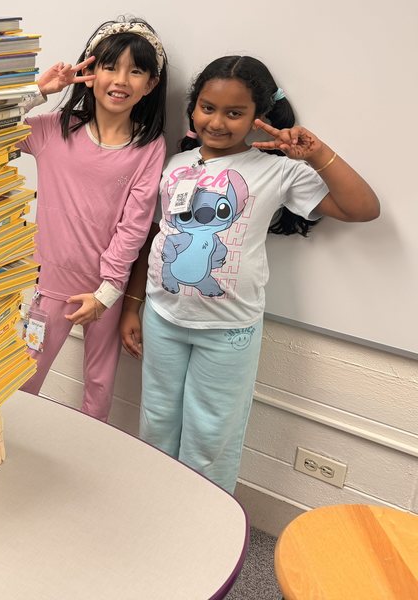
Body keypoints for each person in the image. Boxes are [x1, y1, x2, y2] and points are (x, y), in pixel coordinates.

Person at [120, 55, 379, 492]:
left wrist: (317, 154)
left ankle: (205, 523)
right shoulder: (173, 165)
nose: (217, 122)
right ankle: (156, 507)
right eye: (207, 107)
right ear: (193, 107)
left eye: (234, 113)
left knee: (210, 434)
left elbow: (362, 209)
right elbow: (154, 238)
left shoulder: (278, 170)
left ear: (257, 118)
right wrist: (133, 304)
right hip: (162, 319)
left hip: (227, 331)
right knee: (157, 420)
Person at [17, 16, 168, 421]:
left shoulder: (148, 147)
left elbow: (134, 225)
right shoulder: (55, 130)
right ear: (91, 71)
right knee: (25, 376)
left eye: (136, 71)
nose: (121, 80)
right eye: (110, 66)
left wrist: (106, 294)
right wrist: (40, 92)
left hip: (106, 292)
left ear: (151, 84)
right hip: (50, 288)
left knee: (99, 389)